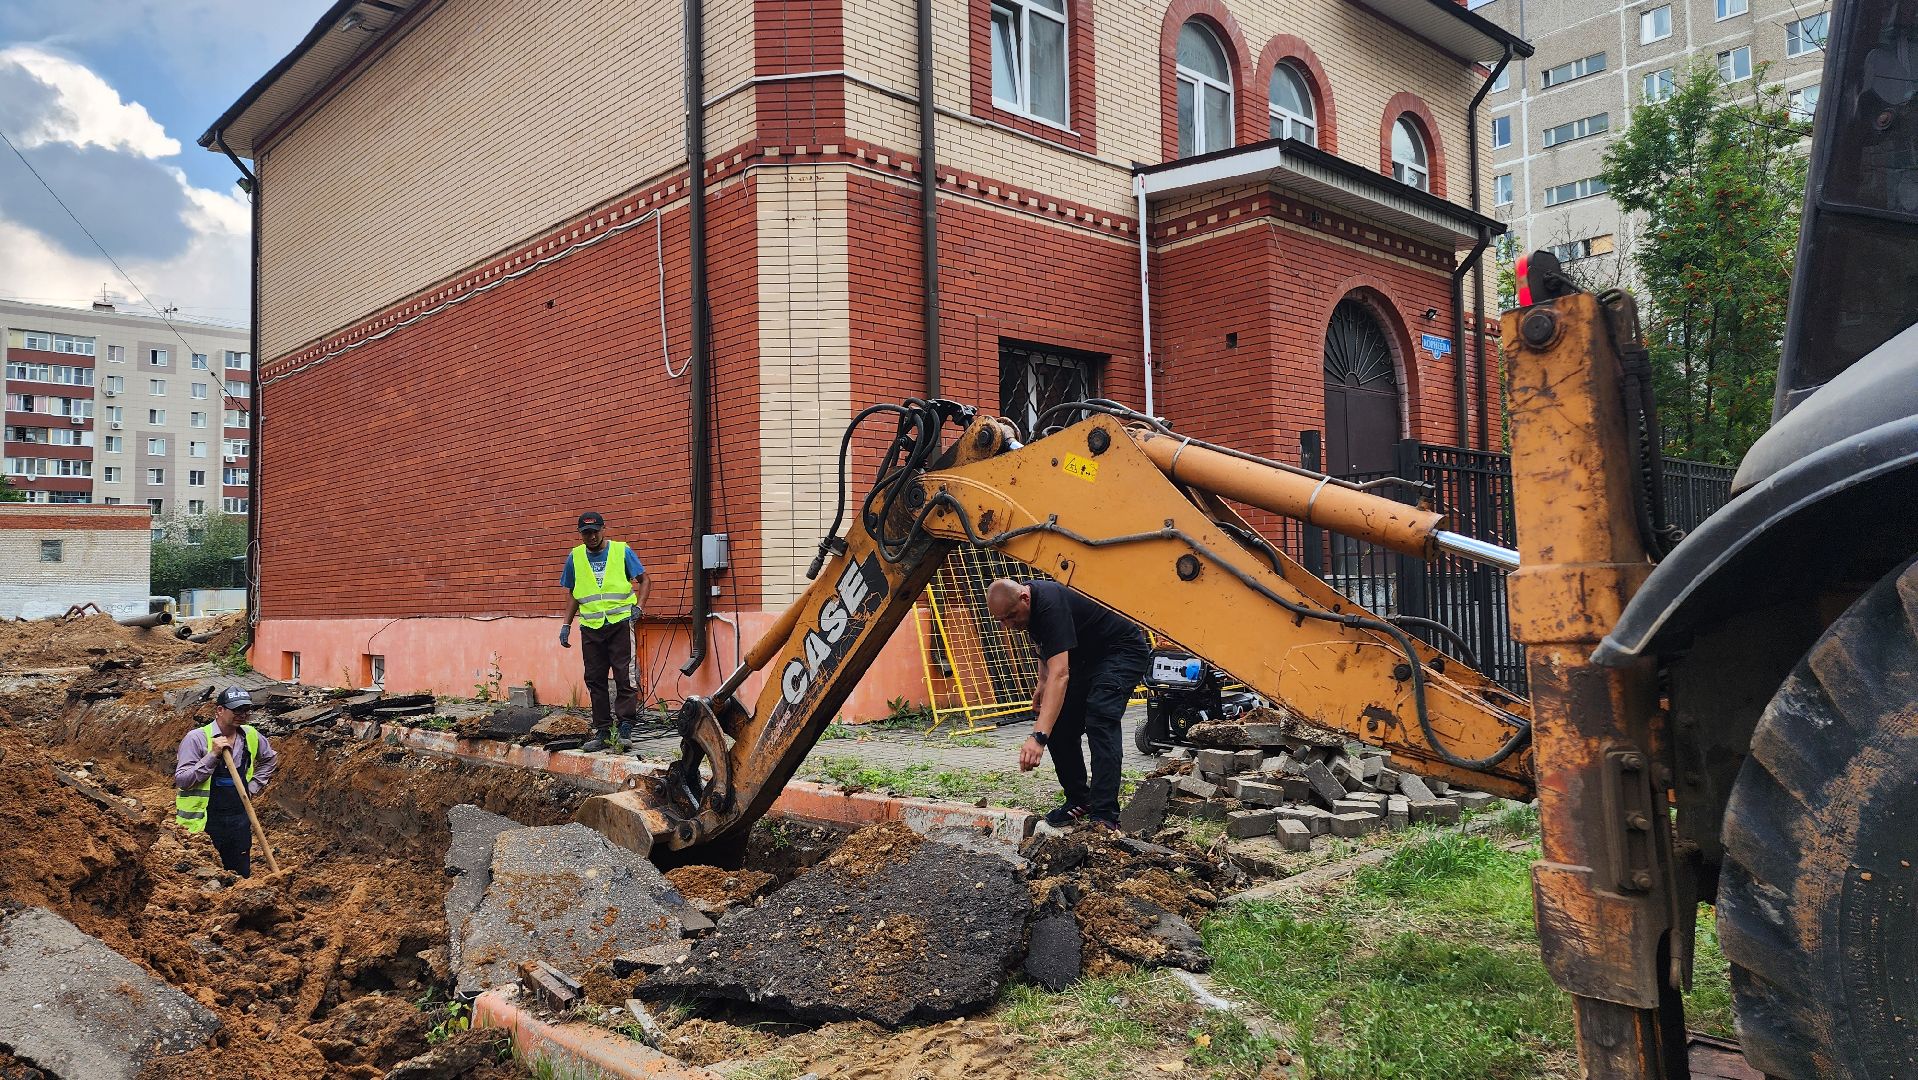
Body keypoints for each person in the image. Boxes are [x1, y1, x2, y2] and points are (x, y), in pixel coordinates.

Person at [986, 577, 1149, 828]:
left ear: (1024, 598)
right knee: (1059, 724)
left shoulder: (1049, 604)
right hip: (1087, 658)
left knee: (1100, 719)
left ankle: (1104, 815)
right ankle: (1079, 800)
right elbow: (1046, 644)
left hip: (1120, 651)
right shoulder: (1026, 606)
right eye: (1001, 620)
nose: (1008, 625)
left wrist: (1038, 736)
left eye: (1010, 617)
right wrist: (1042, 681)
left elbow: (1061, 674)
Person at [559, 511, 651, 753]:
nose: (591, 536)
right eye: (586, 533)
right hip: (591, 627)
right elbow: (573, 593)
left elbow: (644, 580)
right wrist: (566, 624)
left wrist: (639, 607)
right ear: (580, 534)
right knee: (594, 679)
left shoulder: (621, 551)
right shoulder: (575, 557)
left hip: (620, 623)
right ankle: (602, 731)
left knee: (624, 675)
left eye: (595, 531)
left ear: (603, 529)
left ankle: (625, 728)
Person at [174, 686, 278, 876]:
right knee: (206, 877)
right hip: (203, 823)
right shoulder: (196, 738)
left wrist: (253, 786)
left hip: (239, 817)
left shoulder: (251, 735)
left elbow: (269, 759)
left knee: (240, 872)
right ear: (220, 710)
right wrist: (212, 755)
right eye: (236, 710)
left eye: (246, 710)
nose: (242, 715)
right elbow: (182, 780)